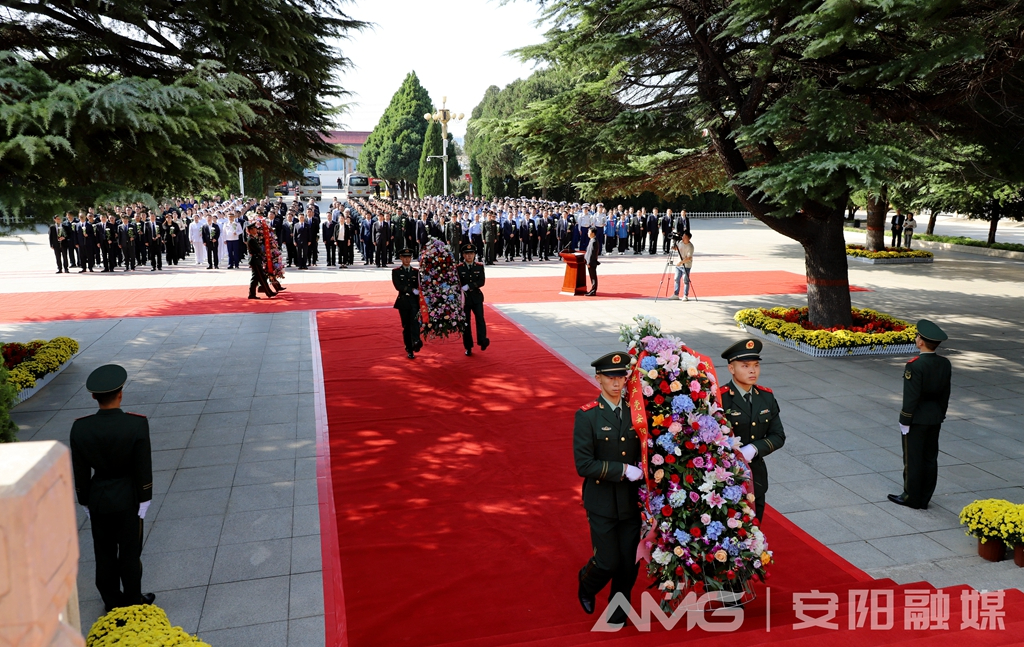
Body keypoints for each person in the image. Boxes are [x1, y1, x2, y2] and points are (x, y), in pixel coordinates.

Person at [69, 364, 156, 613]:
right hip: (128, 497)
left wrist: (84, 500)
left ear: (94, 396)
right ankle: (133, 599)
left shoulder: (81, 427)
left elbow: (81, 470)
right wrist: (145, 497)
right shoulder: (136, 425)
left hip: (98, 498)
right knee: (129, 552)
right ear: (121, 393)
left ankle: (111, 599)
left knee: (103, 552)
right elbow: (142, 466)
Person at [574, 351, 642, 628]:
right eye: (610, 377)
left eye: (621, 377)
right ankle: (586, 584)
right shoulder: (587, 416)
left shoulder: (637, 412)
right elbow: (584, 464)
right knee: (607, 561)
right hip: (601, 500)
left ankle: (617, 615)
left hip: (631, 501)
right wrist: (624, 470)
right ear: (598, 378)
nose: (617, 383)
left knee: (629, 563)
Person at [719, 339, 786, 521]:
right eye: (745, 365)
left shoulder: (765, 397)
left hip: (755, 474)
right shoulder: (720, 398)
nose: (752, 371)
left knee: (755, 525)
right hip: (727, 474)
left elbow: (778, 435)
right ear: (731, 369)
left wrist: (754, 448)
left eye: (756, 365)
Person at [888, 320, 951, 510]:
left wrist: (905, 419)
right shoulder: (944, 363)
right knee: (930, 458)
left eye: (918, 337)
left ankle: (911, 497)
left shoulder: (915, 366)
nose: (916, 338)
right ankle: (924, 497)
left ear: (921, 342)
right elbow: (945, 393)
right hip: (935, 417)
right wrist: (941, 413)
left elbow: (911, 397)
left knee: (913, 459)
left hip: (917, 419)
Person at [457, 243, 489, 356]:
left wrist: (470, 286)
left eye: (471, 254)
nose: (469, 256)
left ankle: (482, 340)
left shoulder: (479, 266)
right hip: (464, 300)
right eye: (467, 254)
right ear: (463, 255)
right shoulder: (459, 268)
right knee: (466, 323)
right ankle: (468, 346)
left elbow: (481, 281)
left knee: (480, 319)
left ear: (475, 254)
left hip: (476, 297)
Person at [392, 248, 423, 359]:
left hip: (414, 302)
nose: (407, 259)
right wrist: (411, 290)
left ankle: (416, 341)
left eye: (408, 257)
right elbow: (398, 286)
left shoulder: (416, 272)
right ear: (401, 258)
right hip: (403, 302)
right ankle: (409, 349)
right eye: (404, 257)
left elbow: (421, 284)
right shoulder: (396, 271)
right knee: (406, 326)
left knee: (415, 323)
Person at [246, 222, 276, 299]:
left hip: (256, 260)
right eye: (254, 229)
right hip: (255, 260)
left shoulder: (252, 238)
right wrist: (264, 253)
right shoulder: (251, 239)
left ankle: (252, 294)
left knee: (255, 278)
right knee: (261, 277)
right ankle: (268, 293)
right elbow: (258, 249)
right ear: (251, 230)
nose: (256, 230)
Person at [668, 232, 693, 301]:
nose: (683, 238)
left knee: (685, 280)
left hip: (686, 265)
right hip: (678, 265)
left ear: (688, 238)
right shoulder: (681, 242)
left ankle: (685, 295)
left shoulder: (690, 246)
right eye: (683, 236)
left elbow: (689, 258)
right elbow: (677, 249)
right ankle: (676, 294)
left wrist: (681, 262)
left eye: (684, 237)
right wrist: (674, 247)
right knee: (676, 279)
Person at [584, 227, 600, 296]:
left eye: (589, 232)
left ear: (593, 233)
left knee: (593, 277)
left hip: (591, 262)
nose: (588, 233)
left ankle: (593, 291)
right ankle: (592, 290)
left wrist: (588, 262)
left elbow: (591, 253)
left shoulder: (593, 241)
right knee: (592, 276)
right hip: (591, 262)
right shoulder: (592, 240)